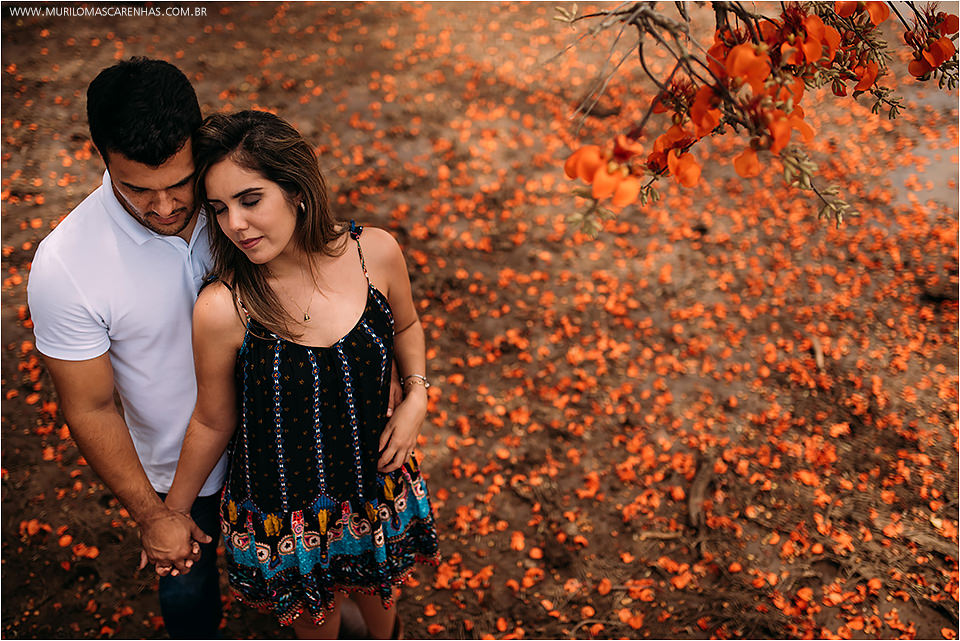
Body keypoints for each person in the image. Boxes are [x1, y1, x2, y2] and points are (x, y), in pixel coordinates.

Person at [146, 110, 440, 639]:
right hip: (287, 514)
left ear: (297, 190)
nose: (234, 224)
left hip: (372, 484)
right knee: (319, 630)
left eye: (250, 200)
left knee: (383, 614)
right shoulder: (224, 308)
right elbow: (213, 421)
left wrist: (417, 393)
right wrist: (170, 514)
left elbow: (409, 325)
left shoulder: (374, 253)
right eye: (219, 209)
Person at [26, 57, 225, 639]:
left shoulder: (241, 195)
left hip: (280, 436)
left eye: (179, 183)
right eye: (137, 188)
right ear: (102, 158)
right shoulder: (66, 265)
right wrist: (152, 513)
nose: (164, 208)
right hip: (179, 472)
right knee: (188, 588)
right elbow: (88, 407)